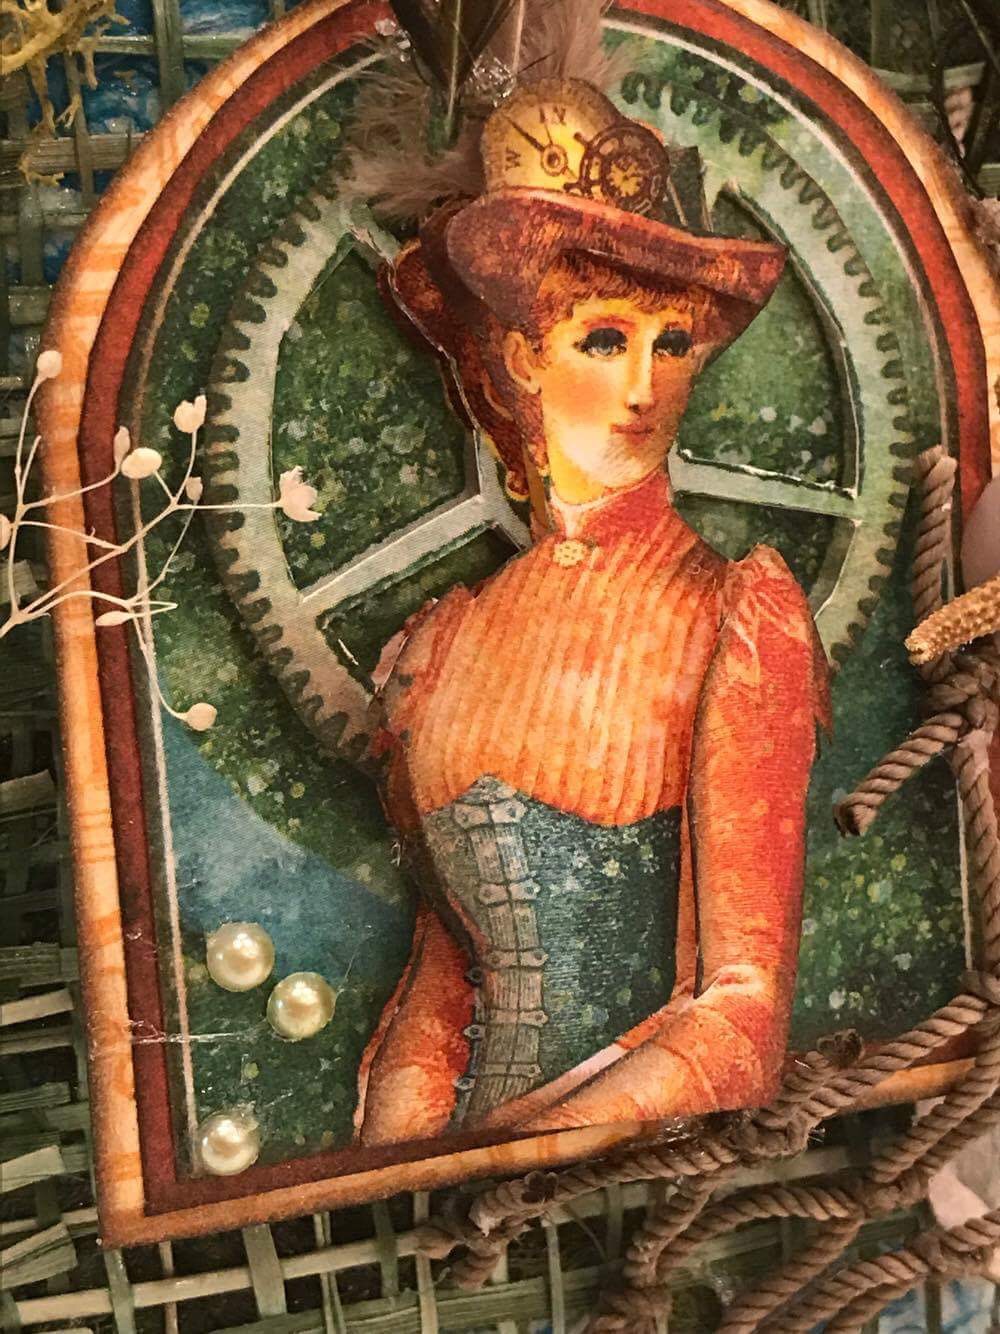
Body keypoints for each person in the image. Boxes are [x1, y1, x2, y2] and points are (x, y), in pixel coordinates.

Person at [354, 80, 831, 1146]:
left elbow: (744, 1019)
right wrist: (393, 1168)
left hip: (634, 1162)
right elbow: (441, 986)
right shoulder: (444, 642)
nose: (643, 388)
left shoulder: (737, 615)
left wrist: (519, 1151)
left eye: (674, 344)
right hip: (468, 1183)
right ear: (526, 354)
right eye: (605, 340)